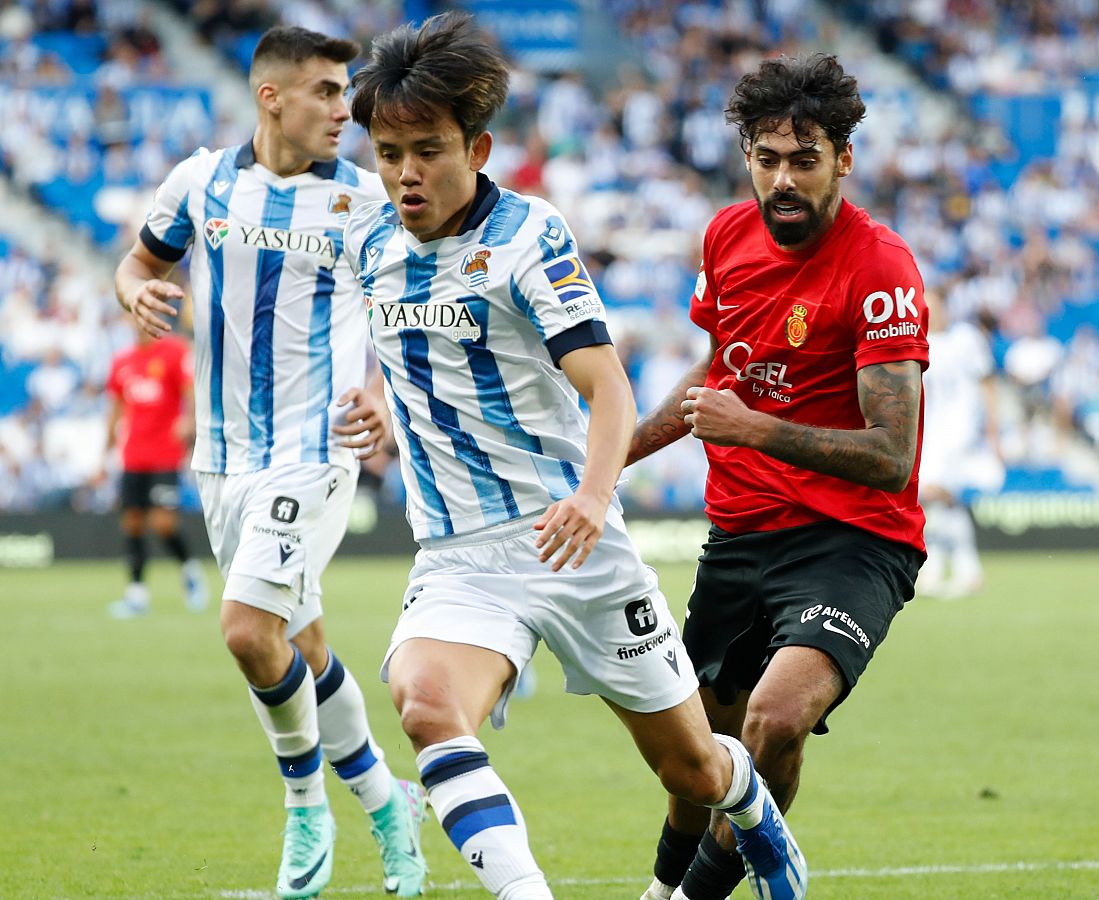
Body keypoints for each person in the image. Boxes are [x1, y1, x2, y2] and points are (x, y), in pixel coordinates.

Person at [344, 15, 805, 899]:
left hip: (575, 543)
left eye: (428, 149)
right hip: (460, 556)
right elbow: (407, 352)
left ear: (478, 147)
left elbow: (610, 386)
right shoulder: (370, 246)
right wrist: (377, 399)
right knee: (426, 701)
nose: (406, 171)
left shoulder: (527, 235)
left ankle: (751, 808)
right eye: (390, 150)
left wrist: (595, 496)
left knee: (692, 774)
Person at [113, 25, 427, 899]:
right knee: (301, 642)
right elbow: (138, 260)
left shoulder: (368, 201)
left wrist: (379, 393)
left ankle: (303, 808)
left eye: (347, 91)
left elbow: (408, 315)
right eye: (328, 91)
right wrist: (135, 289)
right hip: (221, 457)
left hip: (317, 448)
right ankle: (384, 804)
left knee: (249, 630)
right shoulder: (202, 182)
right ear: (272, 97)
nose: (345, 108)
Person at [624, 55, 929, 900]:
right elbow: (716, 372)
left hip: (853, 541)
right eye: (767, 159)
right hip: (740, 533)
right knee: (698, 757)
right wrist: (612, 455)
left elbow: (892, 454)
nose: (783, 179)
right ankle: (663, 888)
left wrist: (754, 427)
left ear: (844, 160)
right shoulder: (725, 236)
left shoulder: (880, 268)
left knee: (775, 720)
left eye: (805, 159)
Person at [100, 326, 210, 617]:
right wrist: (103, 454)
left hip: (165, 454)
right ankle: (136, 594)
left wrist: (189, 421)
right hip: (133, 455)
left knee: (163, 524)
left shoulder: (174, 352)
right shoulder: (122, 362)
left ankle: (190, 570)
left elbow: (190, 391)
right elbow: (115, 410)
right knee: (133, 523)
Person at [915, 289, 1000, 598]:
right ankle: (964, 568)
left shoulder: (966, 338)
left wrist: (993, 429)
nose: (930, 311)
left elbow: (987, 382)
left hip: (960, 433)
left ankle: (940, 567)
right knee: (939, 500)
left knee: (935, 493)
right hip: (933, 434)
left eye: (934, 305)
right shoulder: (921, 342)